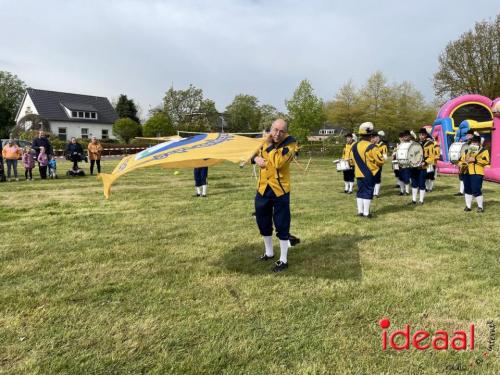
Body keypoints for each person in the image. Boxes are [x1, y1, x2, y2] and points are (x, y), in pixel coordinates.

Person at [252, 118, 298, 272]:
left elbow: (278, 162)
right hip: (263, 188)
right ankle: (269, 252)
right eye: (275, 130)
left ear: (286, 132)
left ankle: (283, 259)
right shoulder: (263, 140)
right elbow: (252, 154)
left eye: (281, 131)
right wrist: (255, 158)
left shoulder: (291, 144)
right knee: (262, 221)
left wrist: (270, 145)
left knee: (282, 223)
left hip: (280, 190)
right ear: (271, 128)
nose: (277, 134)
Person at [350, 122, 385, 218]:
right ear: (370, 135)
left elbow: (352, 161)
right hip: (369, 173)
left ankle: (360, 212)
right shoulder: (372, 147)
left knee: (360, 191)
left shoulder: (354, 146)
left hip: (358, 172)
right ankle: (366, 213)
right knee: (368, 191)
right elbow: (381, 161)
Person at [459, 135, 490, 212]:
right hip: (466, 172)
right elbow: (460, 161)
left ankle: (480, 207)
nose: (473, 144)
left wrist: (475, 160)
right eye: (472, 142)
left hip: (477, 172)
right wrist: (463, 163)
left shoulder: (484, 151)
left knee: (476, 189)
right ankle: (468, 206)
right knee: (467, 189)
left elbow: (486, 161)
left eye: (475, 142)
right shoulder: (466, 151)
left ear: (479, 143)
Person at [410, 128, 435, 205]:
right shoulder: (416, 143)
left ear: (425, 135)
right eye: (420, 134)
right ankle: (413, 200)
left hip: (423, 167)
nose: (421, 136)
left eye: (422, 134)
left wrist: (425, 162)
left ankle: (421, 200)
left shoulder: (430, 144)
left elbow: (432, 156)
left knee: (421, 183)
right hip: (414, 166)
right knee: (414, 183)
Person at [454, 129, 474, 196]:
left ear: (472, 135)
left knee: (471, 177)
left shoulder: (474, 143)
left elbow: (474, 153)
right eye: (467, 135)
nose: (467, 136)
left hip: (471, 162)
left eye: (468, 135)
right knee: (462, 176)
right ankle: (461, 191)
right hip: (463, 161)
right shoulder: (466, 142)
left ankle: (472, 191)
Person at [372, 130, 388, 197]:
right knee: (372, 178)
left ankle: (376, 193)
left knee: (377, 178)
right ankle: (373, 192)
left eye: (374, 137)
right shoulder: (372, 145)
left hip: (378, 164)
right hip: (371, 164)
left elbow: (385, 156)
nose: (372, 139)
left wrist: (382, 160)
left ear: (378, 137)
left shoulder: (383, 145)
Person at [397, 130, 412, 196]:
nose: (405, 137)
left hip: (408, 164)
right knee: (400, 178)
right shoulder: (400, 145)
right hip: (400, 163)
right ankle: (402, 191)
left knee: (406, 178)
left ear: (409, 136)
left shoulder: (412, 144)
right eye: (404, 136)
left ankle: (407, 191)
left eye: (407, 136)